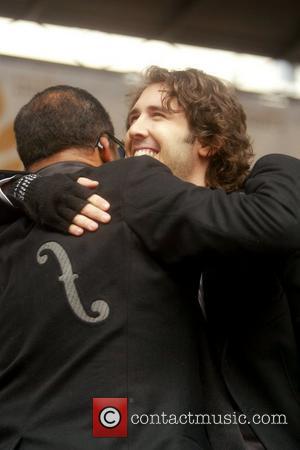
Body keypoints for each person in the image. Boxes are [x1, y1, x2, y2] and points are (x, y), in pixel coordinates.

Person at [0, 71, 299, 450]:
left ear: (208, 141)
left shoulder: (259, 216)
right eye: (133, 118)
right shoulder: (113, 206)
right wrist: (23, 185)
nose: (137, 129)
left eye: (157, 115)